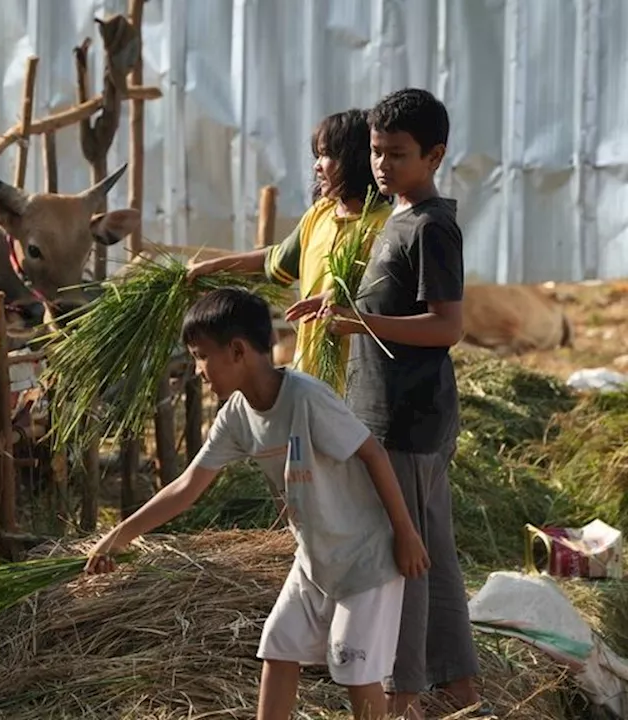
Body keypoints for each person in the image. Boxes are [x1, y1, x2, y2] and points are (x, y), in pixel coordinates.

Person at [84, 287, 430, 720]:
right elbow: (189, 486)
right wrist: (120, 535)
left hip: (366, 557)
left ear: (237, 351)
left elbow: (373, 455)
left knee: (355, 668)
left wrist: (406, 533)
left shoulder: (306, 398)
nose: (198, 370)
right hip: (315, 560)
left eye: (201, 356)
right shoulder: (236, 416)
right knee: (279, 647)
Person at [288, 87, 484, 719]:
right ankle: (459, 688)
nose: (381, 165)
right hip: (395, 412)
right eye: (376, 152)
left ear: (434, 155)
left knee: (404, 557)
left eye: (397, 155)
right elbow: (387, 307)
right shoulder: (397, 215)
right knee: (433, 552)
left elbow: (446, 326)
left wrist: (362, 326)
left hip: (408, 418)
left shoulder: (431, 226)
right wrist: (339, 311)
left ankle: (402, 693)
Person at [187, 109, 391, 393]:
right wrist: (211, 268)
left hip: (358, 383)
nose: (317, 166)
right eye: (316, 156)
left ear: (356, 159)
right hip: (310, 376)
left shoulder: (384, 224)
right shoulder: (319, 215)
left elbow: (386, 296)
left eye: (328, 156)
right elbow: (274, 259)